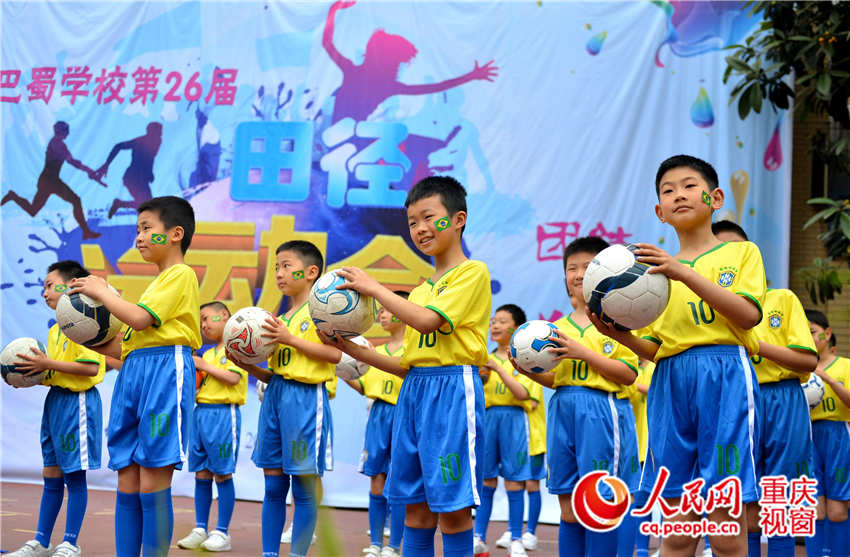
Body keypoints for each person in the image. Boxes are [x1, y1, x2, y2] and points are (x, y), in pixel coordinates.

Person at [590, 155, 767, 557]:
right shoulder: (649, 274)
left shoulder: (741, 254)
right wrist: (617, 334)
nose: (678, 195)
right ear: (659, 212)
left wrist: (684, 273)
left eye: (689, 185)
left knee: (725, 527)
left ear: (715, 196)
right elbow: (657, 348)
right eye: (667, 191)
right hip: (670, 380)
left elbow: (749, 315)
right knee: (675, 527)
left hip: (725, 374)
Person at [319, 175, 491, 557]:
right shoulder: (422, 289)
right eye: (412, 221)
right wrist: (352, 349)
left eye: (429, 217)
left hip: (452, 391)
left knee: (453, 512)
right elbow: (406, 366)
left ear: (458, 219)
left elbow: (430, 322)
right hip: (414, 393)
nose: (420, 228)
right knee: (415, 511)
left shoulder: (471, 272)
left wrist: (375, 287)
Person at [68, 195, 200, 556]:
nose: (139, 238)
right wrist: (88, 337)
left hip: (165, 372)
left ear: (175, 234)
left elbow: (139, 320)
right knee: (127, 477)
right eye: (137, 230)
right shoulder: (153, 286)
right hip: (135, 373)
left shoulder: (180, 275)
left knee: (153, 479)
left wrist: (101, 292)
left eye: (146, 229)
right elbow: (125, 349)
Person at [513, 237, 639, 557]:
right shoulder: (554, 328)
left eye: (587, 266)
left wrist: (582, 352)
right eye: (572, 268)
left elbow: (628, 374)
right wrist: (528, 371)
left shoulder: (616, 320)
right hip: (563, 410)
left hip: (603, 411)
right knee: (568, 504)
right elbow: (560, 379)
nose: (579, 274)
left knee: (601, 502)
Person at [712, 219, 819, 557]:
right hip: (733, 401)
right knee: (734, 498)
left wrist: (756, 344)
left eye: (734, 250)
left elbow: (807, 361)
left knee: (781, 501)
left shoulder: (781, 299)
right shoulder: (706, 307)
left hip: (781, 400)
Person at [228, 240, 341, 557]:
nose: (279, 273)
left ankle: (297, 554)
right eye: (276, 266)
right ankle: (269, 553)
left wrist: (290, 339)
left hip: (306, 400)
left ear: (311, 272)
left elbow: (334, 354)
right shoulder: (283, 317)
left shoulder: (322, 310)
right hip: (276, 397)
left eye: (286, 265)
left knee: (303, 489)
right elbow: (276, 373)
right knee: (274, 486)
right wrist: (248, 366)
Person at [6, 261, 106, 557]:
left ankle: (70, 543)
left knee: (74, 476)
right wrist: (29, 377)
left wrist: (47, 364)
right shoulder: (56, 330)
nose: (45, 291)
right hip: (56, 404)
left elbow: (89, 368)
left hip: (79, 404)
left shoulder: (85, 323)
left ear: (70, 285)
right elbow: (58, 372)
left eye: (50, 284)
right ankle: (41, 541)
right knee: (51, 475)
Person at [176, 301, 248, 552]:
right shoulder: (207, 354)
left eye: (207, 318)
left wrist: (203, 366)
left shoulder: (236, 347)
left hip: (223, 414)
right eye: (201, 321)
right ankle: (200, 528)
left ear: (225, 316)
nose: (204, 325)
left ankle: (222, 532)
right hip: (201, 414)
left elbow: (233, 377)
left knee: (222, 473)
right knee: (202, 473)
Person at [342, 294, 410, 557]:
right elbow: (364, 387)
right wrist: (342, 369)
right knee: (376, 480)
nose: (381, 315)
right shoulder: (376, 354)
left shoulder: (412, 351)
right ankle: (375, 544)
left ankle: (394, 546)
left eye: (386, 310)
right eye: (379, 311)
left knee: (400, 481)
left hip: (404, 416)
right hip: (379, 417)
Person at [474, 304, 535, 557]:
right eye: (493, 321)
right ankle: (478, 537)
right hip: (488, 420)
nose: (495, 326)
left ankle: (516, 538)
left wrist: (499, 369)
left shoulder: (525, 359)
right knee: (486, 480)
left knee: (514, 481)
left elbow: (523, 394)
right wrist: (481, 376)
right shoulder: (482, 359)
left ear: (516, 328)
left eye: (501, 321)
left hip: (514, 421)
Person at [2, 121, 102, 239]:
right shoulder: (57, 144)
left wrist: (88, 171)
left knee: (71, 201)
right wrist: (89, 171)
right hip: (48, 182)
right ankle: (13, 196)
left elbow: (73, 161)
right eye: (67, 130)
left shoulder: (58, 143)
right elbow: (72, 162)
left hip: (51, 181)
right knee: (73, 201)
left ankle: (86, 232)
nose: (68, 133)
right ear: (62, 132)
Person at [804, 309, 850, 557]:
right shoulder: (800, 368)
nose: (808, 337)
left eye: (812, 332)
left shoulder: (845, 366)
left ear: (827, 333)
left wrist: (829, 380)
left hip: (838, 438)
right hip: (809, 439)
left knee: (837, 510)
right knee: (815, 509)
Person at [97, 122, 163, 219]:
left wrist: (149, 173)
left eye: (160, 132)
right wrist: (107, 164)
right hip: (133, 177)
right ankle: (120, 204)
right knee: (148, 205)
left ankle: (119, 204)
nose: (160, 134)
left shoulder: (157, 141)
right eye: (158, 131)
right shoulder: (141, 141)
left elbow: (148, 159)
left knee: (148, 205)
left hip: (141, 178)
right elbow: (118, 146)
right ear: (150, 132)